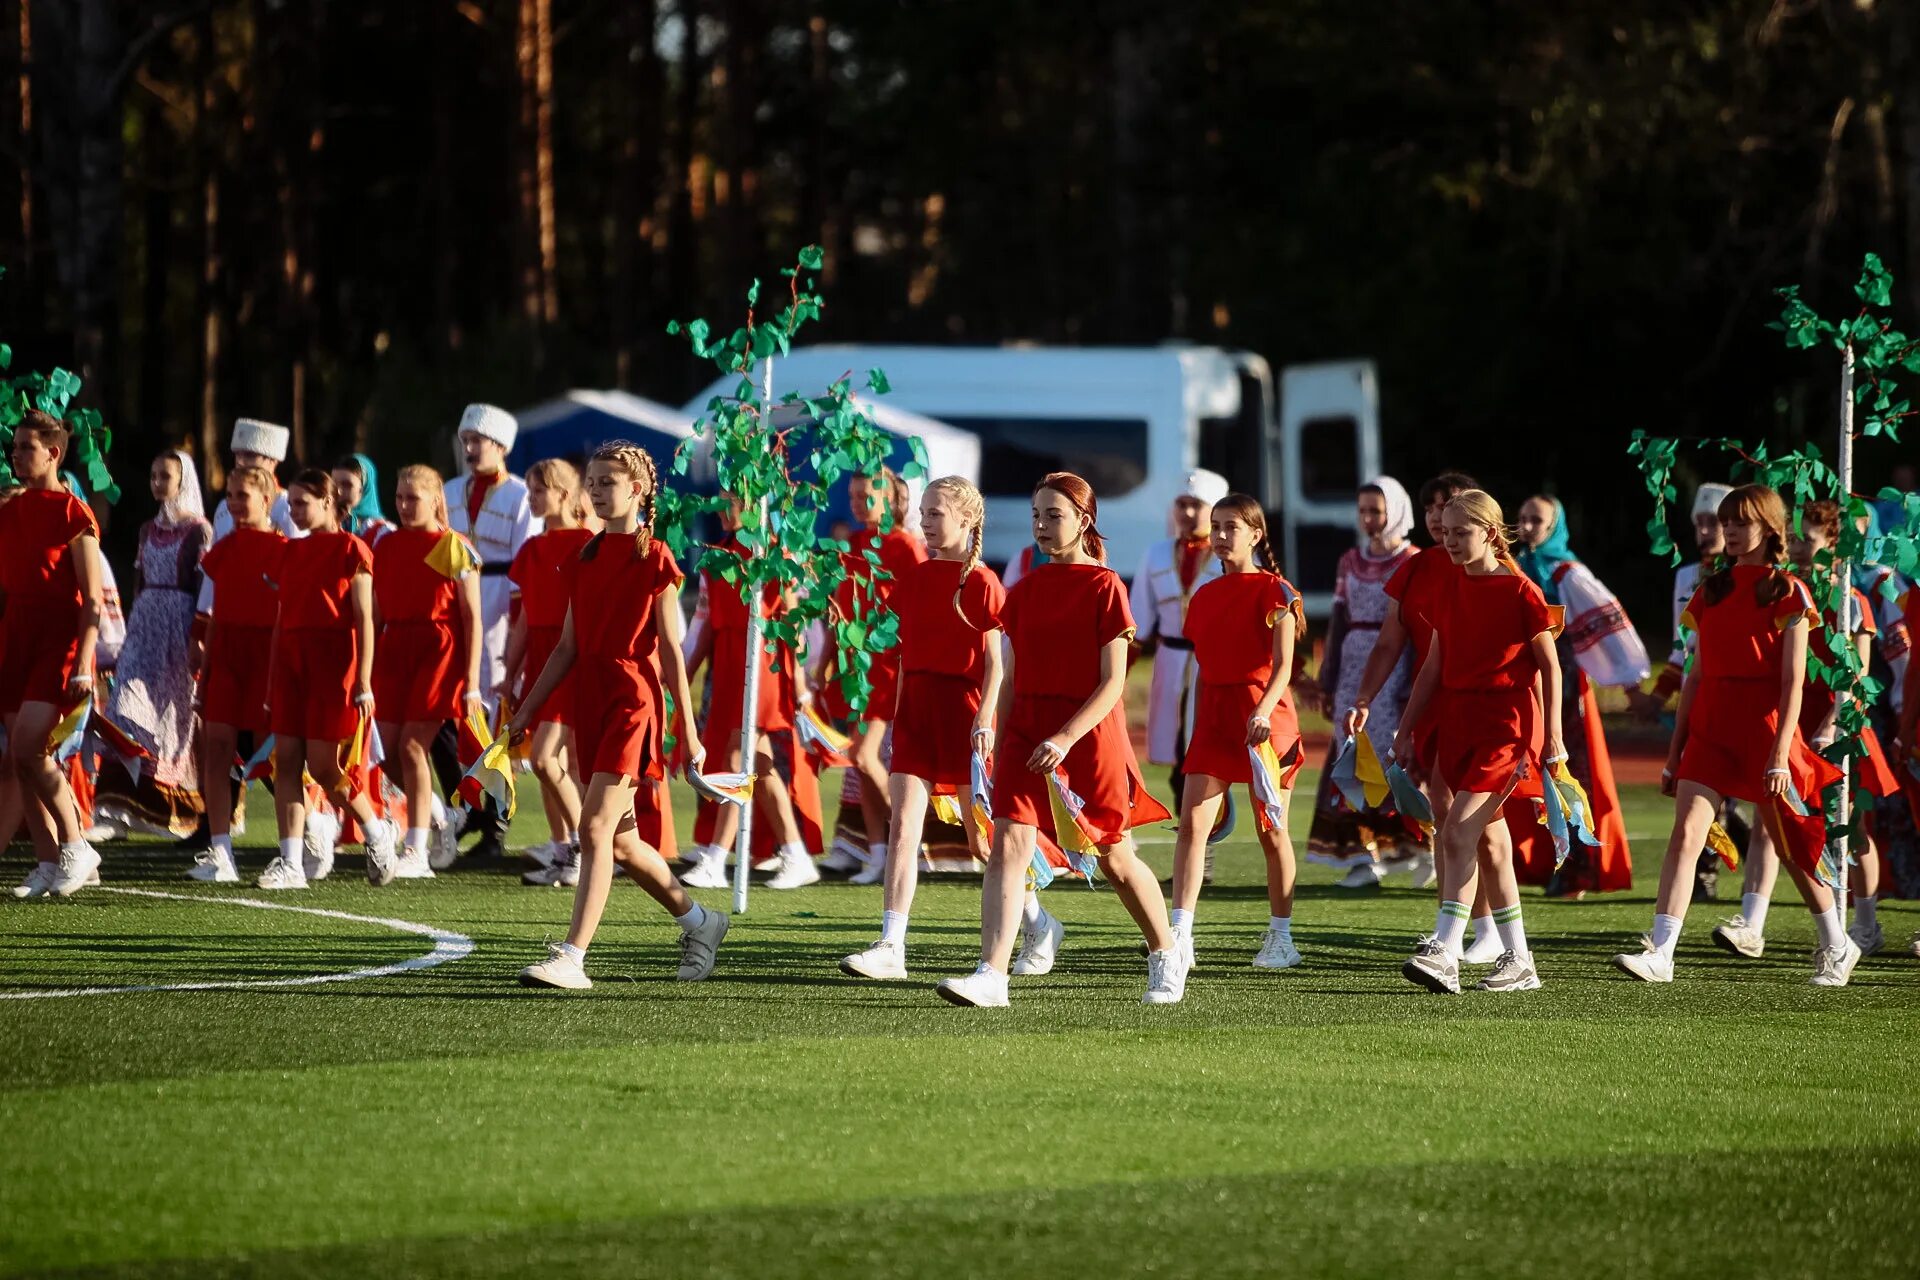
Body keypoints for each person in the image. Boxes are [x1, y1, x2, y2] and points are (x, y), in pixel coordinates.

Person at [936, 472, 1182, 1008]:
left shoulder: (1106, 587)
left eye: (1055, 515)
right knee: (1008, 845)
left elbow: (1114, 681)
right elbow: (1011, 675)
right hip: (1027, 733)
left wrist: (1067, 737)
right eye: (1037, 516)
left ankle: (1165, 952)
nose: (1043, 526)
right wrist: (996, 737)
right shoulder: (1022, 592)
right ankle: (992, 976)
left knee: (1115, 856)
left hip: (1088, 737)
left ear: (1084, 522)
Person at [1612, 484, 1857, 986]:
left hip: (1765, 734)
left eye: (1740, 522)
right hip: (1710, 730)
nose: (1729, 530)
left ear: (1769, 529)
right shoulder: (1710, 589)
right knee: (1685, 834)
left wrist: (1779, 754)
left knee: (1790, 846)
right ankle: (1661, 951)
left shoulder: (1790, 590)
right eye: (1726, 521)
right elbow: (1696, 677)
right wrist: (1674, 753)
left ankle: (1837, 942)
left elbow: (1793, 682)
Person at [511, 440, 729, 990]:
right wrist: (525, 713)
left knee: (595, 827)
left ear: (639, 490)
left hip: (634, 703)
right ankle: (702, 923)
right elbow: (566, 648)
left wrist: (691, 733)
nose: (598, 491)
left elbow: (674, 652)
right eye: (594, 483)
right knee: (625, 844)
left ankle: (572, 957)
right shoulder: (582, 558)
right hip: (591, 701)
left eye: (609, 482)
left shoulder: (655, 556)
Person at [1385, 489, 1563, 996]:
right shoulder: (1450, 585)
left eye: (1460, 533)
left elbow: (1551, 668)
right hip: (1458, 724)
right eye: (1443, 533)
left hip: (1504, 728)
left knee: (1458, 833)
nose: (1450, 543)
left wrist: (1553, 738)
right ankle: (1520, 960)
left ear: (1489, 532)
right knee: (1488, 843)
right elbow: (1433, 667)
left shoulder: (1522, 592)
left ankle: (1445, 949)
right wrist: (1404, 729)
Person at [840, 476, 1006, 979]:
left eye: (936, 513)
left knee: (984, 841)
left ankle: (1038, 923)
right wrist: (896, 714)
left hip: (965, 713)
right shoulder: (914, 577)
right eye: (925, 512)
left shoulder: (983, 583)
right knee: (904, 829)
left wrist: (985, 718)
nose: (925, 522)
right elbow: (905, 653)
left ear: (966, 519)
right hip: (915, 714)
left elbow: (998, 663)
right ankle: (892, 944)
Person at [1344, 471, 1504, 963]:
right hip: (1433, 700)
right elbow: (1390, 641)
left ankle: (1488, 934)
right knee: (1445, 815)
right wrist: (1365, 696)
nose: (1438, 516)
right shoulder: (1418, 567)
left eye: (1449, 505)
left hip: (1485, 707)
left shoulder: (1497, 571)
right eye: (1431, 507)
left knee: (1479, 825)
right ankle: (1458, 932)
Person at [1161, 494, 1307, 999]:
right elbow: (1202, 668)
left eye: (1232, 527)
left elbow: (1284, 665)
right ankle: (1179, 933)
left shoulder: (1277, 592)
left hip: (1267, 723)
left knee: (1273, 833)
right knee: (1192, 828)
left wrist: (1263, 711)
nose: (1221, 535)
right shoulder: (1203, 596)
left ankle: (1281, 937)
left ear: (1256, 534)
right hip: (1217, 724)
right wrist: (1197, 727)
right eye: (1216, 526)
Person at [258, 470, 398, 890]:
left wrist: (365, 680)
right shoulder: (289, 552)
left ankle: (376, 831)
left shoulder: (351, 549)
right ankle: (291, 862)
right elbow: (283, 620)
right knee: (285, 762)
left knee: (323, 767)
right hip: (292, 665)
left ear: (327, 503)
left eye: (303, 502)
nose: (294, 510)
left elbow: (366, 620)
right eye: (292, 503)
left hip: (334, 665)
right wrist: (271, 681)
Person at [1512, 495, 1648, 898]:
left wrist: (1630, 680)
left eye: (1537, 520)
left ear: (1555, 526)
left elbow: (1609, 621)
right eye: (1522, 519)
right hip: (1522, 686)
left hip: (1563, 688)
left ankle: (1578, 870)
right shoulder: (1514, 568)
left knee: (1569, 774)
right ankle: (1534, 863)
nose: (1528, 527)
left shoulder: (1567, 573)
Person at [681, 499, 814, 890]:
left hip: (765, 665)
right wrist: (682, 678)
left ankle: (716, 859)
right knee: (758, 761)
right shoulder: (717, 556)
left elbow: (793, 620)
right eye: (721, 497)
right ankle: (795, 853)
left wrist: (800, 682)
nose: (724, 507)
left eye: (735, 499)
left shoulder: (774, 552)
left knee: (738, 757)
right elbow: (705, 625)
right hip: (729, 664)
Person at [2, 411, 107, 899]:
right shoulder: (10, 510)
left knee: (30, 748)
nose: (17, 454)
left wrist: (85, 662)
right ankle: (47, 861)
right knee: (20, 759)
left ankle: (76, 844)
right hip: (15, 638)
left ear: (53, 453)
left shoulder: (75, 514)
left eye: (27, 446)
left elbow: (93, 600)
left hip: (58, 643)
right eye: (15, 446)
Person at [1628, 481, 1746, 902]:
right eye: (1700, 520)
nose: (1706, 529)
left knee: (1735, 791)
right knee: (1702, 786)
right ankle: (1708, 869)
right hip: (1704, 690)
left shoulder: (1751, 577)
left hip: (1743, 694)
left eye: (1714, 521)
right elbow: (1684, 644)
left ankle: (1737, 854)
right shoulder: (1687, 576)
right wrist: (1661, 694)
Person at [1308, 476, 1422, 886]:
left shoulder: (1412, 559)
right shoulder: (1350, 561)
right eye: (1363, 511)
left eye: (1376, 510)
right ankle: (1363, 855)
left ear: (1396, 511)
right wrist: (1329, 675)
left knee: (1392, 756)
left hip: (1394, 666)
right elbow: (1338, 619)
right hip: (1353, 665)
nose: (1369, 518)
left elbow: (1418, 627)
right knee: (1352, 756)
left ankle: (1415, 845)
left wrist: (1410, 679)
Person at [373, 466, 484, 880]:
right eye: (399, 497)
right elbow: (377, 612)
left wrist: (471, 680)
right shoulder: (385, 545)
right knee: (383, 749)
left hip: (439, 653)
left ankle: (415, 849)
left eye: (412, 498)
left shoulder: (455, 546)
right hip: (394, 650)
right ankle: (439, 814)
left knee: (413, 747)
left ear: (436, 499)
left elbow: (472, 616)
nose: (403, 506)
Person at [94, 449, 212, 838]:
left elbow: (203, 589)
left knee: (170, 719)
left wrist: (197, 638)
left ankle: (166, 811)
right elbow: (139, 581)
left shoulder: (198, 531)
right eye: (154, 476)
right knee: (124, 706)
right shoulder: (147, 529)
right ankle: (116, 806)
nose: (158, 483)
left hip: (178, 628)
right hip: (145, 624)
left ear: (182, 481)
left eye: (166, 476)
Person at [816, 466, 926, 875]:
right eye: (854, 497)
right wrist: (824, 664)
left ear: (890, 499)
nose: (859, 505)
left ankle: (907, 839)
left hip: (889, 668)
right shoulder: (851, 545)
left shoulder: (905, 546)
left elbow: (920, 613)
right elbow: (838, 614)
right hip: (855, 669)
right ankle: (878, 853)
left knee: (864, 756)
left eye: (867, 497)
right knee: (860, 762)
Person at [441, 404, 532, 861]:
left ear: (502, 447)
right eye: (467, 441)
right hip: (452, 604)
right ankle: (465, 810)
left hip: (498, 608)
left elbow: (524, 565)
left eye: (480, 441)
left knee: (492, 718)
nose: (472, 449)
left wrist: (516, 624)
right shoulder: (449, 489)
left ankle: (495, 825)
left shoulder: (520, 495)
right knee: (454, 713)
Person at [188, 464, 287, 883]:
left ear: (266, 500)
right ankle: (221, 851)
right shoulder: (223, 549)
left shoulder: (285, 550)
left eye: (241, 495)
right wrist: (203, 673)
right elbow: (214, 617)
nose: (232, 503)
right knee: (215, 748)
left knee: (278, 756)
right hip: (226, 656)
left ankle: (297, 846)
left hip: (266, 657)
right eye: (229, 495)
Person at [504, 458, 595, 886]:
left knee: (550, 759)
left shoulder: (588, 543)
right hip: (541, 659)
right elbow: (524, 618)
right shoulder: (531, 550)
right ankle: (563, 853)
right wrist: (510, 669)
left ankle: (582, 847)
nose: (532, 498)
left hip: (572, 657)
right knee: (547, 762)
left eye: (538, 490)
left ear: (562, 492)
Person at [1131, 469, 1227, 809]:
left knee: (1206, 740)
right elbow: (1138, 618)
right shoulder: (1156, 553)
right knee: (1173, 743)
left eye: (1196, 505)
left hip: (1214, 663)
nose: (1187, 513)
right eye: (1181, 504)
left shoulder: (1231, 557)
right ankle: (1183, 813)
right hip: (1170, 658)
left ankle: (1208, 818)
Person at [333, 453, 394, 545]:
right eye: (334, 484)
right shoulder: (323, 525)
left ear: (364, 488)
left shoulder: (383, 532)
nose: (338, 491)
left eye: (347, 485)